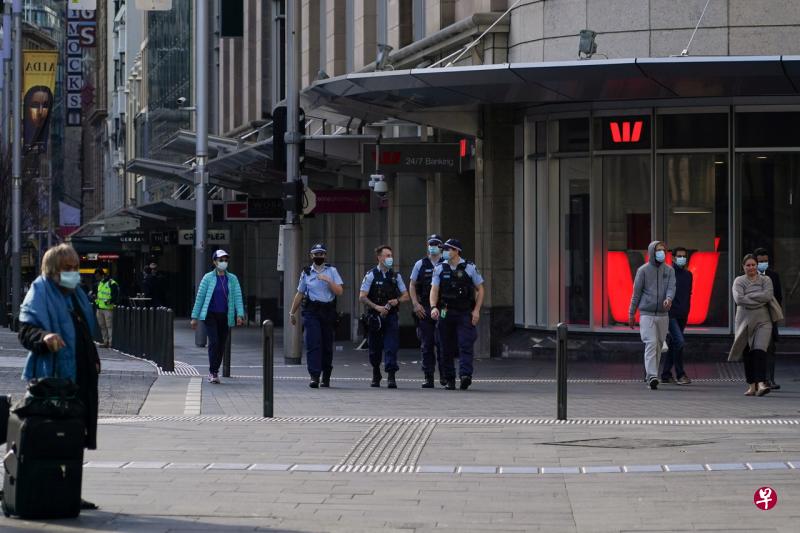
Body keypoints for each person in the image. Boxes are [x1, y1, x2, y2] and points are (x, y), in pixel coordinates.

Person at [17, 244, 100, 510]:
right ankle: (46, 489)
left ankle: (69, 490)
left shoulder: (76, 295)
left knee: (74, 435)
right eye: (68, 268)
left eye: (76, 267)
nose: (74, 273)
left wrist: (94, 359)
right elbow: (26, 329)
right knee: (51, 436)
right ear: (53, 270)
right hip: (52, 379)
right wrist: (45, 337)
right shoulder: (40, 291)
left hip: (80, 377)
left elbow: (84, 331)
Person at [429, 238, 485, 391]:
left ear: (456, 251)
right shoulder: (440, 268)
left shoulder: (470, 267)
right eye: (444, 249)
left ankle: (465, 375)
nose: (445, 252)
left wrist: (477, 310)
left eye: (448, 249)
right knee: (445, 346)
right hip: (445, 311)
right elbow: (434, 290)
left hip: (464, 312)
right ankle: (449, 378)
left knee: (465, 343)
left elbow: (480, 289)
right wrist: (433, 307)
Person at [289, 243, 344, 388]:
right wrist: (292, 312)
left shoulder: (332, 270)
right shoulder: (306, 273)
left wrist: (328, 280)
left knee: (326, 345)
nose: (318, 257)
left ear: (325, 255)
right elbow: (300, 293)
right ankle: (314, 376)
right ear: (311, 256)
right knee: (313, 343)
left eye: (321, 254)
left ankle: (326, 376)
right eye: (316, 254)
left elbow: (339, 291)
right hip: (312, 311)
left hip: (328, 311)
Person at [190, 250, 245, 384]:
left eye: (226, 260)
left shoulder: (232, 278)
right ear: (214, 262)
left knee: (221, 344)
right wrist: (194, 317)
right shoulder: (207, 278)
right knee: (214, 342)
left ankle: (215, 370)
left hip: (226, 316)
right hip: (210, 315)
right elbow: (200, 298)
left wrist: (240, 314)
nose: (223, 262)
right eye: (220, 260)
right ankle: (213, 372)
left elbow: (238, 296)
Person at [359, 245, 409, 388]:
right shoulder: (371, 275)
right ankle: (376, 373)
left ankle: (391, 375)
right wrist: (376, 307)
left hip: (391, 316)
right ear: (379, 258)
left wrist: (397, 300)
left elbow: (406, 295)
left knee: (391, 346)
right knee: (374, 347)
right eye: (387, 256)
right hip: (375, 317)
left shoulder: (395, 276)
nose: (390, 258)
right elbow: (362, 296)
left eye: (390, 255)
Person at [628, 241, 676, 390]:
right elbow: (636, 293)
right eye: (658, 250)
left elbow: (671, 288)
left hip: (663, 315)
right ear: (651, 252)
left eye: (663, 250)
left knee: (659, 345)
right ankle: (652, 376)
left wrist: (669, 299)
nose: (661, 253)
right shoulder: (642, 271)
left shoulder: (669, 270)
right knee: (651, 343)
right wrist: (631, 313)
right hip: (646, 314)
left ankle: (652, 376)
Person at [728, 254, 773, 397]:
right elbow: (739, 299)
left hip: (763, 320)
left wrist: (750, 296)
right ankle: (751, 386)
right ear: (743, 267)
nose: (751, 267)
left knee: (759, 351)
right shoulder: (738, 281)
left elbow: (767, 296)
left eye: (753, 264)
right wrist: (758, 297)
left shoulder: (766, 279)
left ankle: (761, 384)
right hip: (744, 321)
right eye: (748, 265)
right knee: (747, 353)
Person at [410, 234, 445, 388]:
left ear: (441, 247)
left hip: (443, 309)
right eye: (431, 244)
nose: (433, 247)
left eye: (436, 244)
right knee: (427, 343)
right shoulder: (420, 264)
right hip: (425, 308)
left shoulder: (447, 263)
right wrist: (416, 304)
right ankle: (428, 376)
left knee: (443, 342)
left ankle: (445, 376)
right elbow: (412, 285)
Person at [661, 247, 692, 385]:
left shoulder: (688, 275)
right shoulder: (668, 273)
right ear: (673, 258)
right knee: (679, 342)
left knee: (674, 343)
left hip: (683, 314)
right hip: (670, 314)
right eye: (679, 256)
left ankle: (666, 374)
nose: (682, 258)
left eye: (684, 256)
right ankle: (680, 374)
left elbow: (688, 294)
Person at [754, 247, 782, 390]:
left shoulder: (773, 275)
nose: (763, 263)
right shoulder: (749, 275)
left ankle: (770, 379)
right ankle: (759, 380)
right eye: (760, 261)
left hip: (769, 317)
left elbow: (778, 297)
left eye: (765, 261)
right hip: (754, 318)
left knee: (770, 348)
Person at [92, 267, 119, 348]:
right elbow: (98, 295)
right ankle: (105, 342)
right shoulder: (99, 284)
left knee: (109, 326)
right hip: (99, 308)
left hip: (108, 308)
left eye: (97, 276)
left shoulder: (112, 283)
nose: (97, 278)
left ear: (102, 275)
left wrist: (110, 301)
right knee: (102, 326)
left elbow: (115, 295)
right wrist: (95, 299)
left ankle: (110, 343)